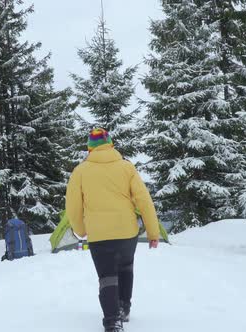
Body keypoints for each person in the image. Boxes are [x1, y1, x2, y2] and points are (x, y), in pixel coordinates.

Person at [66, 128, 160, 332]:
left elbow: (73, 207)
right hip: (127, 232)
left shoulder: (80, 171)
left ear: (90, 148)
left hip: (99, 235)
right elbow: (144, 200)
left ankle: (112, 321)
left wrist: (80, 230)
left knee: (107, 276)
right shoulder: (126, 167)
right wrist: (153, 232)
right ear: (110, 144)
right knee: (126, 267)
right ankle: (124, 308)